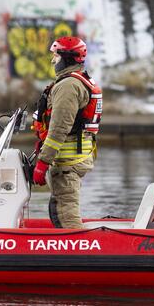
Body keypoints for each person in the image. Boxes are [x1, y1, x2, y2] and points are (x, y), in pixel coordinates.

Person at [31, 36, 102, 229]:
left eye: (55, 55)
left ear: (66, 58)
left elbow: (59, 128)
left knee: (66, 212)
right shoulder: (75, 81)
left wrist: (42, 163)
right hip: (73, 158)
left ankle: (78, 253)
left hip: (68, 162)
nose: (53, 60)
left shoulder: (68, 86)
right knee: (60, 209)